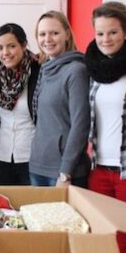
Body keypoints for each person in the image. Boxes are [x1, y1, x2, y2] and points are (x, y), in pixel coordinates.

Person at [84, 1, 126, 253]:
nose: (105, 39)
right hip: (98, 167)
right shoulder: (93, 70)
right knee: (100, 234)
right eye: (100, 33)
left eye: (113, 32)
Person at [29, 11, 90, 188]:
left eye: (54, 33)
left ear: (67, 34)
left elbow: (80, 125)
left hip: (63, 172)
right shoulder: (44, 68)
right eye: (42, 34)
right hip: (38, 167)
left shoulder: (76, 70)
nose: (48, 39)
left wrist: (65, 173)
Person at [0, 23, 40, 185]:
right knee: (2, 208)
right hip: (0, 156)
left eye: (11, 46)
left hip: (31, 157)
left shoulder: (39, 71)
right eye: (0, 48)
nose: (5, 53)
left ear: (23, 45)